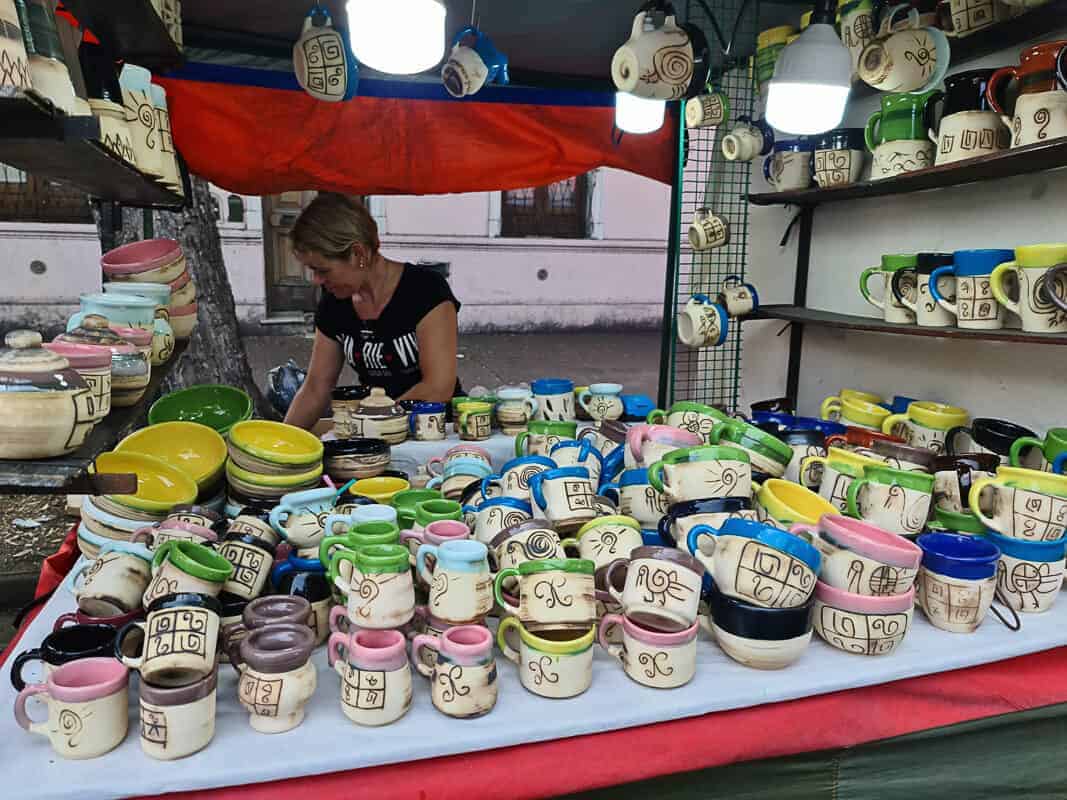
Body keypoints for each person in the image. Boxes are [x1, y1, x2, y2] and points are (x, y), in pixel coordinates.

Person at [283, 193, 461, 431]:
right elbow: (316, 387)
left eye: (322, 270)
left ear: (358, 254)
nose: (316, 280)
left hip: (435, 433)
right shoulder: (334, 304)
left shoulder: (425, 291)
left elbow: (438, 387)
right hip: (376, 432)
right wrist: (282, 443)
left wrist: (374, 424)